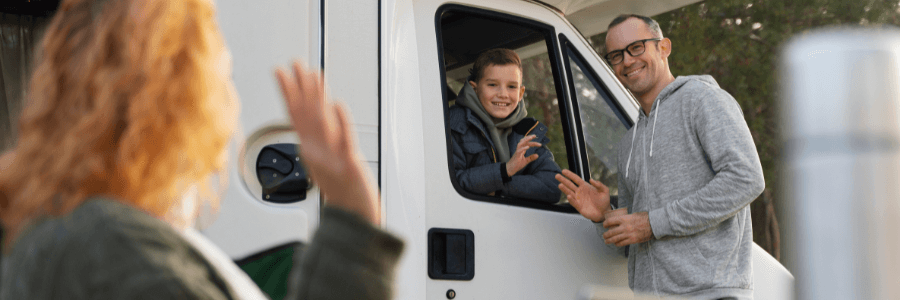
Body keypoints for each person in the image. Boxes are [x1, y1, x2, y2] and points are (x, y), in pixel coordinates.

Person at [0, 0, 402, 299]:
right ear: (186, 101)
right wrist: (356, 224)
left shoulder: (44, 231)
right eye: (221, 77)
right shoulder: (117, 249)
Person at [555, 14, 765, 299]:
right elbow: (633, 242)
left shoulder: (703, 100)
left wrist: (652, 223)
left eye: (637, 47)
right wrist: (604, 217)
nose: (627, 61)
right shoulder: (628, 143)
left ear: (663, 47)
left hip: (710, 293)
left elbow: (746, 178)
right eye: (616, 56)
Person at [449, 48, 561, 203]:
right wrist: (505, 170)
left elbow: (553, 186)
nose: (503, 94)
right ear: (474, 89)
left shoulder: (527, 131)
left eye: (512, 87)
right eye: (493, 84)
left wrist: (499, 186)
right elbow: (450, 182)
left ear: (521, 93)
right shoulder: (454, 123)